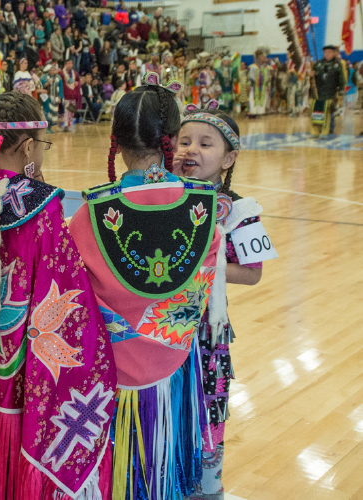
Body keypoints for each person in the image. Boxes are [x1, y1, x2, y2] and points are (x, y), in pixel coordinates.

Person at [0, 91, 116, 499]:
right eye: (43, 146)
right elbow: (61, 291)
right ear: (29, 146)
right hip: (16, 365)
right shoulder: (37, 204)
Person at [68, 74, 221, 500]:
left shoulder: (89, 215)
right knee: (159, 472)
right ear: (170, 139)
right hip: (172, 370)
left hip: (112, 374)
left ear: (115, 139)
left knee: (119, 477)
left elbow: (77, 301)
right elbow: (196, 296)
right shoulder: (203, 208)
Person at [171, 104, 274, 500]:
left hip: (205, 334)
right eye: (184, 140)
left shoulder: (239, 211)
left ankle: (205, 487)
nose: (190, 150)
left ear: (229, 157)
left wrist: (200, 264)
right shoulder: (162, 194)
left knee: (204, 406)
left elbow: (252, 272)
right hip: (153, 326)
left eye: (204, 143)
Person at [309, 45, 346, 137]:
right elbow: (313, 80)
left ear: (334, 53)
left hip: (330, 93)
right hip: (318, 94)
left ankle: (325, 132)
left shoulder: (338, 65)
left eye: (329, 52)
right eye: (325, 52)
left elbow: (341, 80)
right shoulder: (318, 64)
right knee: (316, 113)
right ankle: (315, 132)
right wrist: (311, 75)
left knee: (327, 114)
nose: (327, 54)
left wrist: (341, 92)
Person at [247, 48, 271, 117]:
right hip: (254, 87)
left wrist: (268, 85)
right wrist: (248, 85)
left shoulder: (266, 67)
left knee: (262, 99)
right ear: (259, 57)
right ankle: (254, 113)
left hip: (263, 87)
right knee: (253, 99)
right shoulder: (253, 66)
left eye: (265, 57)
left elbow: (268, 77)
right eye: (263, 56)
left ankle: (260, 113)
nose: (264, 58)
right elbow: (250, 77)